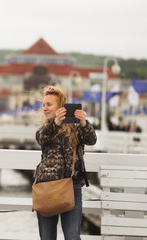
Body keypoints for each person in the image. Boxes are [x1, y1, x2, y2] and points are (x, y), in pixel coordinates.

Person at [35, 86, 97, 240]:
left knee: (72, 236)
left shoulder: (76, 130)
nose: (45, 108)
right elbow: (42, 138)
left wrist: (83, 122)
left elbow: (92, 140)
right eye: (44, 105)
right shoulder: (44, 129)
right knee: (47, 237)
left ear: (61, 106)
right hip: (47, 186)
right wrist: (55, 123)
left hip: (72, 185)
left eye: (49, 104)